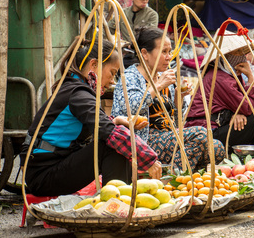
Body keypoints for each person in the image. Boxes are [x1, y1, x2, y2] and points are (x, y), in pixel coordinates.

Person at [21, 40, 161, 197]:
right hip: (43, 176)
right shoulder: (78, 94)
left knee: (117, 138)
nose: (112, 81)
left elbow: (98, 123)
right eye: (112, 73)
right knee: (113, 144)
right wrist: (148, 159)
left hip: (49, 168)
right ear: (94, 65)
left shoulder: (75, 89)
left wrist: (115, 120)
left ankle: (121, 198)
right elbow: (108, 132)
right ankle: (118, 204)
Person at [111, 27, 226, 171]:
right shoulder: (130, 77)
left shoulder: (163, 76)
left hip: (168, 138)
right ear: (145, 54)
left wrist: (179, 100)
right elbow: (132, 108)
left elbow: (175, 123)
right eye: (163, 52)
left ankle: (186, 176)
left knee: (217, 148)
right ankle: (175, 179)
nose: (169, 56)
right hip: (142, 141)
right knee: (200, 134)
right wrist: (158, 86)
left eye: (169, 51)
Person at [185, 31, 254, 151]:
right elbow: (248, 107)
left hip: (221, 126)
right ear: (226, 56)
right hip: (208, 133)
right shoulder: (219, 78)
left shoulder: (228, 75)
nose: (242, 57)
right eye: (237, 52)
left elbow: (243, 105)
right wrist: (250, 76)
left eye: (242, 52)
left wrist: (238, 112)